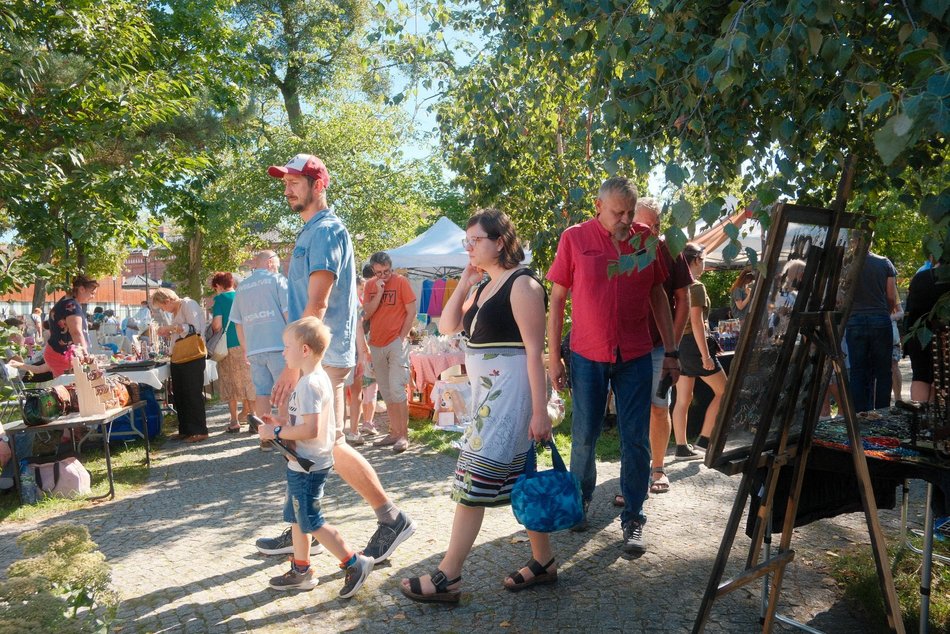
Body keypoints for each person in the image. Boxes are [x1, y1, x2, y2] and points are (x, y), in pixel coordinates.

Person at [257, 153, 414, 563]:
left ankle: (389, 517)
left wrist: (295, 367)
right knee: (318, 441)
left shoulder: (326, 231)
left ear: (318, 184)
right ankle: (300, 527)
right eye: (285, 181)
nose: (287, 187)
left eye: (295, 180)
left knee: (328, 442)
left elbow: (318, 302)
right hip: (315, 353)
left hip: (321, 355)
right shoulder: (312, 230)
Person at [400, 208, 553, 603]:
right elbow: (448, 326)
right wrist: (467, 279)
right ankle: (544, 561)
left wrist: (540, 410)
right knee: (523, 478)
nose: (468, 247)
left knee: (473, 480)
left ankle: (449, 575)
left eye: (475, 241)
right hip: (488, 400)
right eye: (465, 242)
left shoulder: (523, 286)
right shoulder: (484, 286)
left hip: (511, 399)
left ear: (500, 241)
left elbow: (535, 353)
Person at [547, 177, 680, 553]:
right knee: (585, 434)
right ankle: (580, 501)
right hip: (587, 354)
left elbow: (658, 294)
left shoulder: (646, 241)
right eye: (616, 211)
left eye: (629, 212)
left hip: (636, 354)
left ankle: (634, 517)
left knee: (634, 439)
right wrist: (553, 355)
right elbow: (557, 299)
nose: (623, 219)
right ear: (598, 206)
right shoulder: (574, 238)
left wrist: (671, 350)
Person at [257, 317, 375, 596]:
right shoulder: (313, 380)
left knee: (311, 520)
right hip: (302, 463)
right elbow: (304, 423)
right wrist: (281, 422)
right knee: (299, 518)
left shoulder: (310, 384)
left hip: (308, 465)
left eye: (287, 346)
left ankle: (355, 562)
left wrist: (275, 430)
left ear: (305, 350)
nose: (283, 352)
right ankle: (301, 569)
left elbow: (310, 430)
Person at [632, 198, 692, 500]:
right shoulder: (621, 249)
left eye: (657, 225)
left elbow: (683, 299)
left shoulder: (670, 249)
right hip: (627, 347)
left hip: (657, 346)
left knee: (659, 407)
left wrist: (673, 345)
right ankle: (633, 472)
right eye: (647, 225)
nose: (653, 231)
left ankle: (657, 467)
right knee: (634, 412)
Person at [671, 243, 728, 454]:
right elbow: (697, 323)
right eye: (703, 259)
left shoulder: (676, 284)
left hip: (679, 345)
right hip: (694, 345)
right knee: (725, 391)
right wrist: (706, 355)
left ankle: (680, 446)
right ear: (695, 260)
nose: (704, 264)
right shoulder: (696, 286)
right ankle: (704, 441)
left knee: (683, 398)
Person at [230, 251, 289, 447]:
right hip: (279, 345)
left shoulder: (243, 286)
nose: (278, 267)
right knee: (284, 392)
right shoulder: (277, 280)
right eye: (277, 263)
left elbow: (238, 323)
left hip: (255, 348)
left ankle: (265, 436)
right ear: (271, 263)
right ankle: (286, 434)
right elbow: (288, 312)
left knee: (262, 393)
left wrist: (246, 348)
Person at [362, 251, 416, 453]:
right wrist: (380, 291)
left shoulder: (401, 281)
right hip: (376, 343)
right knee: (385, 391)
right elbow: (367, 313)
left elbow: (411, 310)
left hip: (395, 341)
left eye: (387, 271)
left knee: (396, 388)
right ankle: (394, 432)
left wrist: (402, 337)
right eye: (379, 272)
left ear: (391, 267)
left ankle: (403, 435)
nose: (384, 275)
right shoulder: (370, 285)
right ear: (373, 271)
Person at [12, 275, 99, 378]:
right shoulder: (72, 306)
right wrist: (85, 353)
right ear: (81, 289)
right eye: (92, 293)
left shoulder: (65, 301)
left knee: (66, 386)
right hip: (63, 354)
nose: (93, 297)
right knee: (70, 388)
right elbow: (76, 332)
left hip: (58, 352)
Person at [151, 288, 208, 443]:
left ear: (167, 301)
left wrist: (169, 328)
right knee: (180, 394)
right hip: (180, 356)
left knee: (192, 393)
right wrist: (170, 332)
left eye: (163, 307)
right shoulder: (177, 310)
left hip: (193, 355)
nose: (165, 311)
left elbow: (194, 329)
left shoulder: (188, 304)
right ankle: (185, 429)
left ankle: (199, 430)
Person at [846, 251, 898, 412]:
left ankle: (860, 414)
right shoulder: (884, 262)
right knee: (883, 370)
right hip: (880, 317)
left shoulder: (846, 264)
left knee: (857, 370)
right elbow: (891, 296)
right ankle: (882, 412)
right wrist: (885, 312)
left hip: (854, 319)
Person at [211, 271, 256, 433]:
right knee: (247, 381)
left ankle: (234, 421)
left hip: (228, 346)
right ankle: (254, 419)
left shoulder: (219, 299)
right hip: (246, 344)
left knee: (229, 381)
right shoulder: (243, 297)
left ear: (218, 286)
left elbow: (217, 325)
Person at [904, 257, 950, 403]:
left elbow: (910, 312)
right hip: (945, 337)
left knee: (920, 376)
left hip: (919, 335)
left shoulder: (920, 278)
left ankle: (921, 418)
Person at [345, 274, 378, 445]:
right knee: (356, 393)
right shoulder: (355, 303)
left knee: (339, 394)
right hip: (352, 352)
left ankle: (337, 433)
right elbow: (359, 329)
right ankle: (353, 431)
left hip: (334, 353)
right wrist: (363, 352)